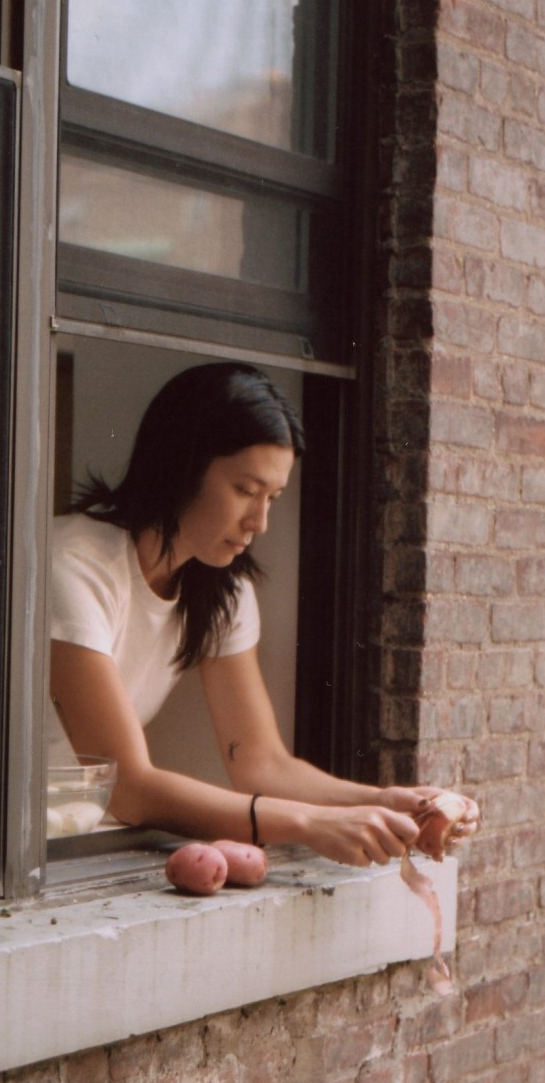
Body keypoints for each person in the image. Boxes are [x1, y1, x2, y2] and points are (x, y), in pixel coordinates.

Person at [49, 361, 472, 867]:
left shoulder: (220, 587)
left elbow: (261, 762)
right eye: (246, 491)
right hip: (12, 854)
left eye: (272, 497)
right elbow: (129, 787)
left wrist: (380, 801)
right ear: (181, 465)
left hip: (87, 843)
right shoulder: (74, 565)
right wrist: (308, 824)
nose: (260, 521)